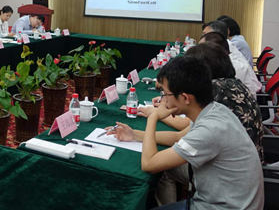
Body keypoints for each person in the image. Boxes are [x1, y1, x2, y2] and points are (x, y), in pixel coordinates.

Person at [108, 56, 264, 209]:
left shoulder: (209, 130)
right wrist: (134, 135)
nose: (163, 100)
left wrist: (153, 117)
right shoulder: (215, 109)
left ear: (184, 98)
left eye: (166, 94)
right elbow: (178, 137)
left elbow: (149, 164)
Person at [201, 21, 260, 93]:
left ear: (217, 36)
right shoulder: (226, 47)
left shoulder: (231, 61)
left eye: (205, 34)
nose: (202, 37)